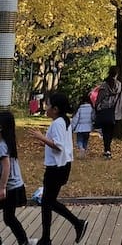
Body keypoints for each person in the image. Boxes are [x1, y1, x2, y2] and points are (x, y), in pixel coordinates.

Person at [28, 92, 89, 245]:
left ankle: (76, 223)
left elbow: (59, 146)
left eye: (47, 105)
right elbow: (60, 143)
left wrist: (41, 137)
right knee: (48, 203)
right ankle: (47, 238)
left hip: (56, 168)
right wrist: (44, 142)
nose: (45, 108)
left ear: (55, 109)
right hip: (63, 166)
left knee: (47, 202)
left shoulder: (58, 123)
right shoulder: (63, 121)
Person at [0, 110, 35, 245]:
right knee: (9, 217)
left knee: (9, 218)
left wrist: (2, 187)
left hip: (9, 187)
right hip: (14, 186)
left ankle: (24, 241)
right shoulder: (8, 142)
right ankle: (24, 241)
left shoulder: (2, 145)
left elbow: (6, 167)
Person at [95, 65, 122, 159]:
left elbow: (99, 99)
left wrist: (97, 108)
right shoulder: (121, 87)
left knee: (105, 132)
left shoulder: (104, 86)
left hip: (104, 111)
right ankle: (108, 149)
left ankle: (107, 149)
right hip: (115, 113)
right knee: (110, 132)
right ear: (117, 74)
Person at [71, 93, 95, 157]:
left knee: (79, 140)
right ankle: (84, 149)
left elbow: (75, 119)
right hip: (88, 127)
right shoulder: (91, 109)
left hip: (80, 128)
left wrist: (72, 128)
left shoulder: (80, 109)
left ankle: (81, 148)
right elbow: (93, 118)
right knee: (86, 139)